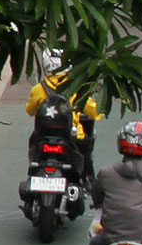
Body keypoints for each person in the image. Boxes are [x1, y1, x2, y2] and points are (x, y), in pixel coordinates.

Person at [25, 48, 102, 183]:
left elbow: (30, 110)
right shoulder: (77, 86)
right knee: (86, 147)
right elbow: (93, 112)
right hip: (72, 137)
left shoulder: (39, 88)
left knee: (33, 142)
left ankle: (33, 171)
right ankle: (88, 178)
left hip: (44, 136)